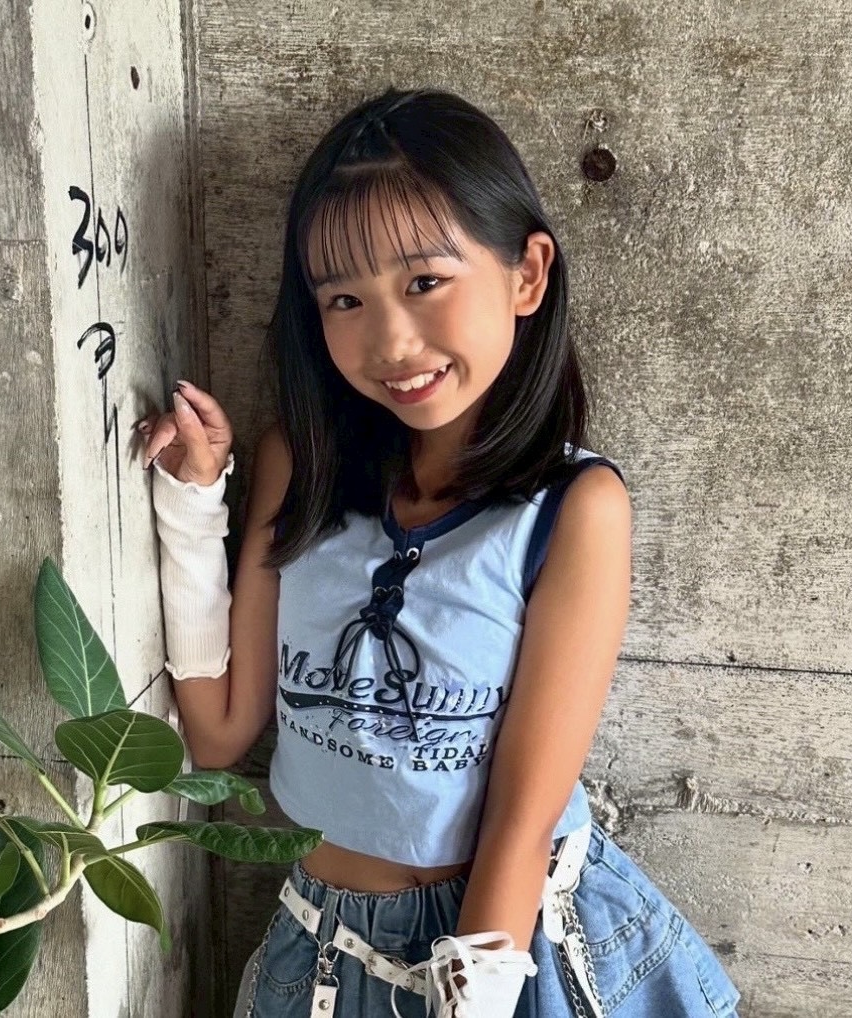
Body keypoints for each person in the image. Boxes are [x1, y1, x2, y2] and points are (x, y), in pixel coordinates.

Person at [136, 87, 740, 1018]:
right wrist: (190, 501)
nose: (391, 340)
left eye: (424, 282)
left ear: (526, 275)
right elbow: (216, 730)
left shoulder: (572, 510)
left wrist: (471, 1000)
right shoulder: (302, 465)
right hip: (326, 946)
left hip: (510, 949)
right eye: (345, 299)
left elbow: (517, 825)